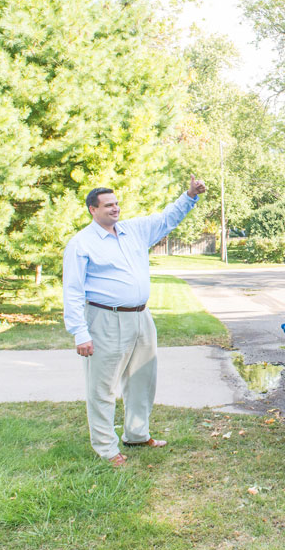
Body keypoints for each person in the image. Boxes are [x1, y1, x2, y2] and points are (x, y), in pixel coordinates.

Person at [63, 177, 207, 466]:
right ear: (92, 209)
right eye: (107, 205)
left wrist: (190, 195)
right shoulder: (81, 243)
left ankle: (137, 434)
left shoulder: (134, 231)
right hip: (105, 318)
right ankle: (107, 449)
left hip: (141, 317)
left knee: (142, 379)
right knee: (102, 387)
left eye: (116, 204)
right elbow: (73, 290)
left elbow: (167, 218)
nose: (115, 209)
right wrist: (80, 333)